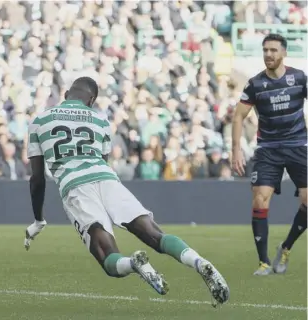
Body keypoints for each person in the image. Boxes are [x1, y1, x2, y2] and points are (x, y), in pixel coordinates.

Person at [24, 77, 229, 306]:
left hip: (75, 186)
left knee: (107, 255)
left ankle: (134, 264)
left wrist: (38, 219)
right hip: (108, 180)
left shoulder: (39, 121)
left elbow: (37, 178)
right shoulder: (101, 121)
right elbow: (102, 161)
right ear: (92, 100)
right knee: (154, 234)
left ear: (65, 94)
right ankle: (198, 261)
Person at [232, 33, 307, 276]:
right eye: (265, 50)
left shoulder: (299, 78)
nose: (268, 55)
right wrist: (236, 150)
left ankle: (285, 247)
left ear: (283, 53)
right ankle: (264, 262)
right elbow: (239, 115)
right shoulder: (255, 84)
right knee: (259, 199)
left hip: (298, 145)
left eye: (273, 50)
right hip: (268, 149)